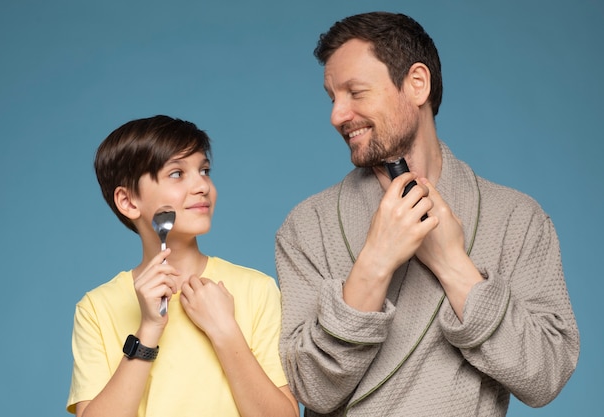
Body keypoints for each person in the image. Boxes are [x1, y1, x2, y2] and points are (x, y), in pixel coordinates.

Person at [275, 12, 579, 416]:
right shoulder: (306, 226)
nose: (337, 115)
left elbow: (547, 376)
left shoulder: (516, 218)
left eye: (355, 92)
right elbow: (311, 389)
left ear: (417, 84)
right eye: (333, 98)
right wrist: (376, 261)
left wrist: (452, 262)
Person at [67, 115, 299, 417]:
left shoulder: (257, 289)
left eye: (204, 170)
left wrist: (226, 331)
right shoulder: (96, 308)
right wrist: (149, 329)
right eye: (177, 173)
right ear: (128, 201)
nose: (201, 184)